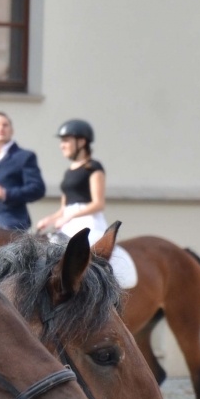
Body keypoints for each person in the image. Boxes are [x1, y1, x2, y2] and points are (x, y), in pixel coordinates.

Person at [35, 118, 138, 287]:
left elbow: (98, 203)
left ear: (81, 141)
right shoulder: (69, 172)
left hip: (88, 221)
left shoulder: (94, 168)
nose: (62, 145)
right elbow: (63, 209)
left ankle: (104, 287)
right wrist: (49, 219)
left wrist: (69, 217)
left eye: (66, 140)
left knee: (92, 256)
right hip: (67, 222)